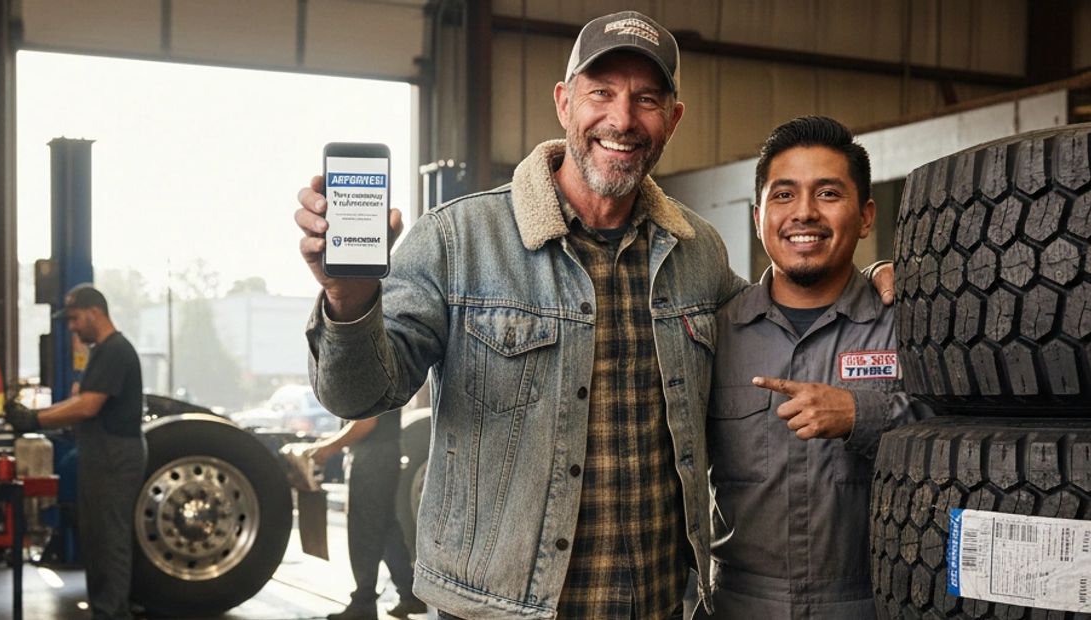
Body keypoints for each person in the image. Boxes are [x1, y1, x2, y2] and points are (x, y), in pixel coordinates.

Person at [297, 11, 893, 618]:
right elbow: (359, 395)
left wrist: (868, 283)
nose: (623, 119)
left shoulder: (696, 252)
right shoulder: (458, 240)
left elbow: (776, 305)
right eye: (601, 92)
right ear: (563, 102)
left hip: (655, 603)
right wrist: (347, 298)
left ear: (673, 119)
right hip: (504, 609)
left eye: (647, 99)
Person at [694, 117, 929, 618]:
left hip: (874, 602)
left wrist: (862, 415)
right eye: (783, 196)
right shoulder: (714, 335)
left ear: (866, 216)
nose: (804, 213)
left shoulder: (909, 325)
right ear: (759, 215)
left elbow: (967, 434)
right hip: (740, 605)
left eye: (827, 194)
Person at [6, 284, 146, 620]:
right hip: (101, 455)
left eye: (74, 318)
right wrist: (40, 415)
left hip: (115, 455)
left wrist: (33, 419)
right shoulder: (102, 351)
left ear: (94, 312)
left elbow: (87, 406)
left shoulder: (115, 350)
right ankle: (105, 609)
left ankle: (112, 613)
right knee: (98, 539)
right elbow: (80, 399)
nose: (71, 326)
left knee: (110, 539)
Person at [305, 410, 426, 620]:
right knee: (387, 530)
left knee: (363, 530)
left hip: (372, 457)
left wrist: (330, 448)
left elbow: (366, 423)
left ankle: (363, 602)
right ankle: (410, 595)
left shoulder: (366, 376)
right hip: (384, 453)